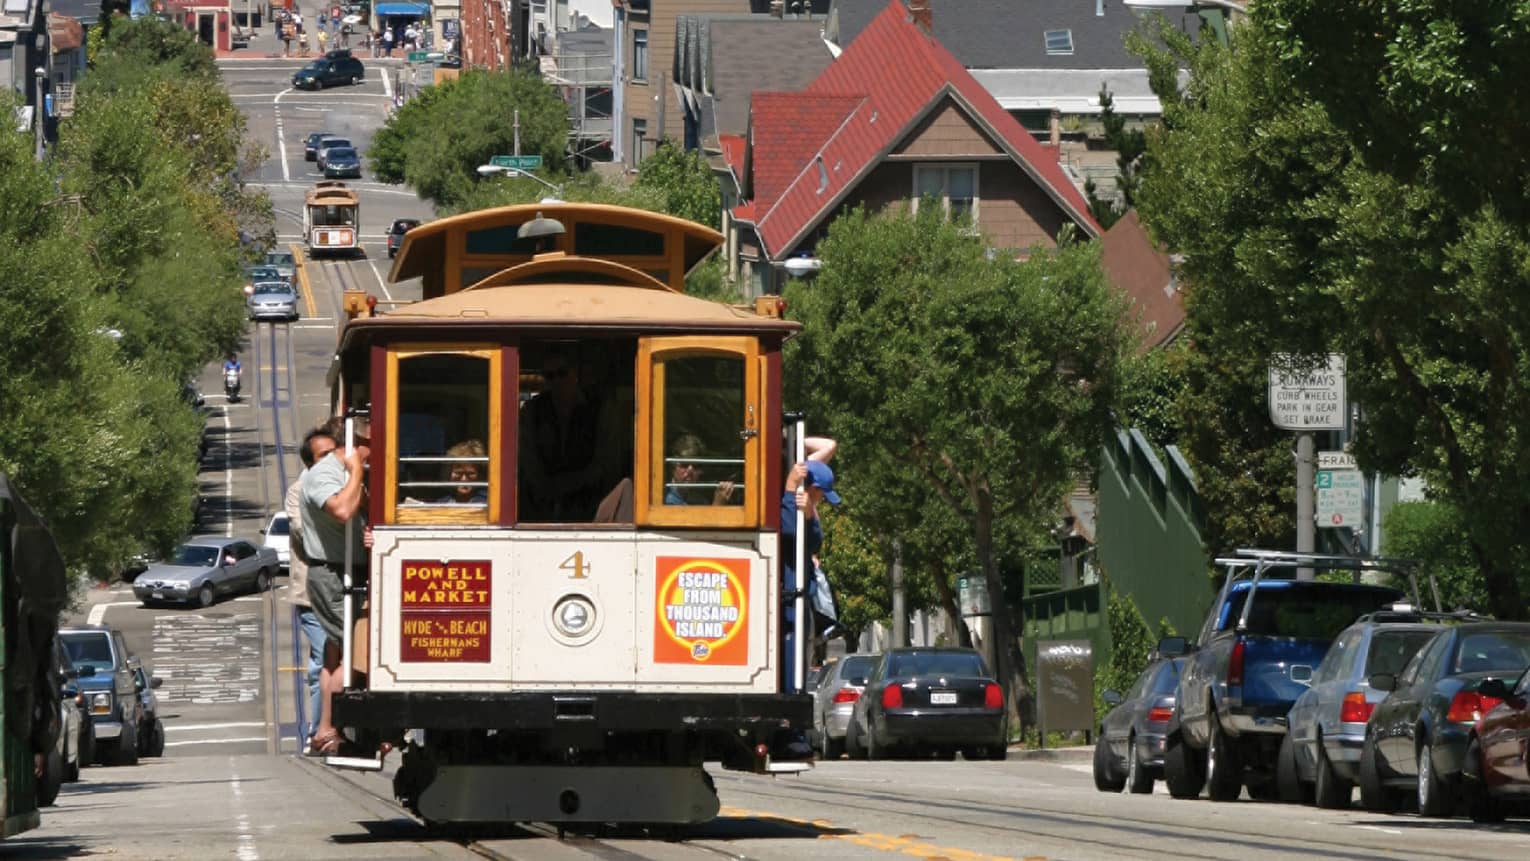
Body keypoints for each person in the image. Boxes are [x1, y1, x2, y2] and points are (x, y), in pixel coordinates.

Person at [300, 416, 370, 756]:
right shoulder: (323, 474)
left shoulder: (339, 471)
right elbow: (342, 509)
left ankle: (327, 729)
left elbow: (360, 512)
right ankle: (332, 729)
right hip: (331, 575)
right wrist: (357, 469)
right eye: (370, 447)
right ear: (355, 443)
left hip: (346, 571)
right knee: (354, 650)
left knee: (335, 653)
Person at [776, 436, 838, 760]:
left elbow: (827, 446)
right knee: (790, 669)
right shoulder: (794, 509)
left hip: (799, 602)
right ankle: (790, 734)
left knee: (797, 666)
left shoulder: (808, 514)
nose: (823, 501)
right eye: (820, 495)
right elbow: (788, 531)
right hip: (789, 604)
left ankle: (794, 733)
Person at [289, 427, 337, 754]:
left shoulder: (343, 485)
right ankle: (317, 734)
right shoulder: (298, 491)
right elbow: (302, 531)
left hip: (341, 591)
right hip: (312, 594)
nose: (330, 462)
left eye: (333, 454)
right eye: (323, 457)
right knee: (324, 659)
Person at [518, 351, 601, 521]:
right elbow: (527, 457)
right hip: (538, 508)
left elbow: (604, 461)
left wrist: (571, 484)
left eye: (561, 373)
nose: (556, 381)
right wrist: (546, 489)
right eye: (549, 376)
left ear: (574, 374)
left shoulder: (597, 410)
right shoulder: (531, 410)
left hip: (589, 507)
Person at [664, 434, 735, 506]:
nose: (690, 471)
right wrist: (718, 504)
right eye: (684, 464)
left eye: (696, 466)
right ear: (672, 467)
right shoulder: (665, 500)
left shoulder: (699, 500)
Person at [439, 439, 488, 504]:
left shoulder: (487, 503)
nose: (464, 479)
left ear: (480, 475)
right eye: (458, 473)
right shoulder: (442, 503)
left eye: (470, 473)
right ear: (449, 473)